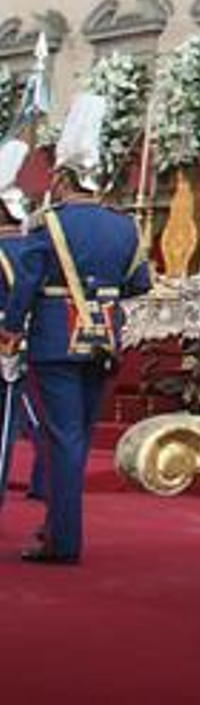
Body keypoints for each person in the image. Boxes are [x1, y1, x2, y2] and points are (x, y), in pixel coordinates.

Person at [0, 96, 151, 563]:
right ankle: (58, 529)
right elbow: (138, 283)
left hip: (55, 338)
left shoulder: (51, 224)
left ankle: (64, 539)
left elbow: (25, 282)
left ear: (63, 179)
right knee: (79, 435)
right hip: (105, 339)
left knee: (62, 436)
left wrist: (11, 330)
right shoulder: (125, 227)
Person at [0, 139, 46, 509]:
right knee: (33, 414)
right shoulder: (32, 244)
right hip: (36, 336)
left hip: (6, 337)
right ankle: (44, 479)